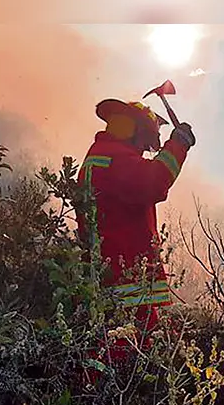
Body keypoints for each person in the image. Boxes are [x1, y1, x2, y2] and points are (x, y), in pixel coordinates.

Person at [75, 98, 196, 378]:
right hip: (128, 282)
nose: (145, 149)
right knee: (129, 357)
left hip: (111, 275)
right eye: (145, 140)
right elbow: (154, 181)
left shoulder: (100, 157)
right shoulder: (114, 161)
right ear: (133, 129)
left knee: (114, 348)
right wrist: (178, 144)